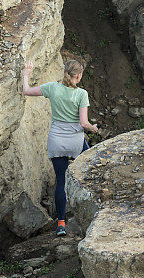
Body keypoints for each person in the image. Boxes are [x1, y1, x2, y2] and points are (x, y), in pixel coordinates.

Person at [22, 59, 99, 236]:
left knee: (60, 182)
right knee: (93, 170)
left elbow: (26, 91)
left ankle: (61, 225)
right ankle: (95, 213)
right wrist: (93, 128)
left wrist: (27, 74)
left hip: (56, 140)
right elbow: (83, 123)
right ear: (78, 76)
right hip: (75, 141)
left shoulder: (52, 87)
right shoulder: (82, 94)